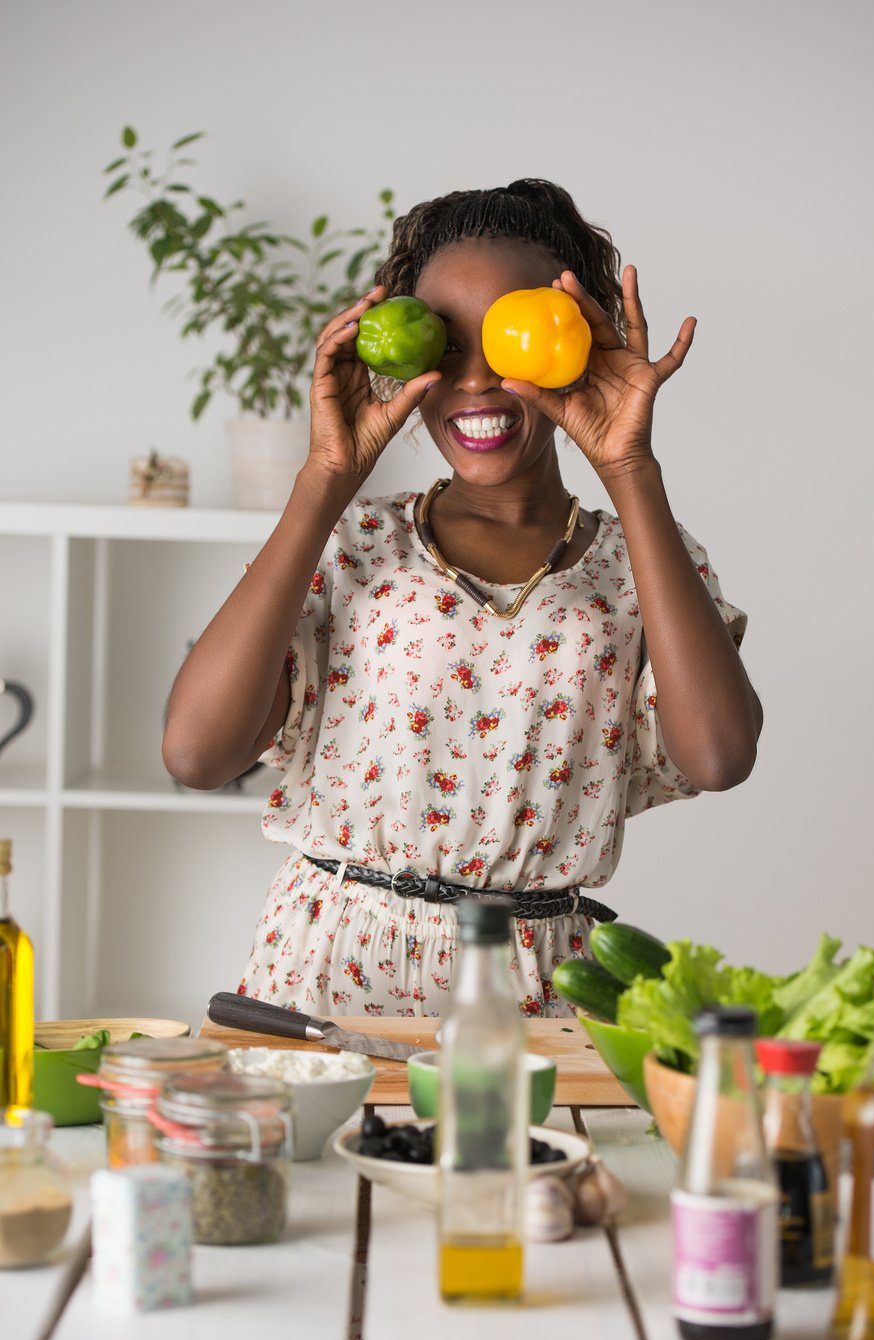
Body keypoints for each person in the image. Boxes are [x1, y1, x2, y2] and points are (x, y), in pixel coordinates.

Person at [162, 180, 763, 1018]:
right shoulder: (353, 542)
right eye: (444, 345)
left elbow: (720, 755)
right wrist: (325, 478)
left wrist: (631, 469)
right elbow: (196, 754)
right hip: (327, 979)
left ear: (578, 344)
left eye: (512, 342)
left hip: (539, 1000)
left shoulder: (643, 564)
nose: (476, 379)